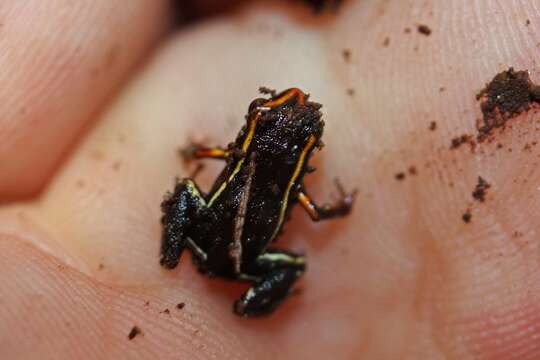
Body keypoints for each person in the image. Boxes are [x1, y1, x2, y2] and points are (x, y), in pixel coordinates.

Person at [0, 1, 536, 359]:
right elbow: (323, 216)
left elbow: (210, 156)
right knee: (295, 260)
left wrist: (191, 152)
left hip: (208, 247)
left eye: (305, 124)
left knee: (188, 191)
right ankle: (247, 300)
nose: (295, 101)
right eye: (271, 111)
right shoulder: (294, 190)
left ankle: (180, 258)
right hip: (237, 262)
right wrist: (342, 205)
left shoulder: (238, 156)